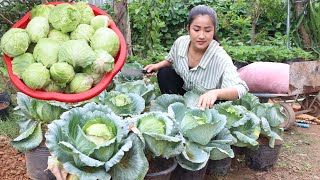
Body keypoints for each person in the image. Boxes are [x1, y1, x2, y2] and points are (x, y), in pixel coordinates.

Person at [144, 5, 248, 110]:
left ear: (214, 31)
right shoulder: (180, 43)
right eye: (196, 29)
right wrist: (157, 66)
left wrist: (215, 93)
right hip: (186, 92)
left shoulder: (220, 57)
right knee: (164, 73)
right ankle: (174, 108)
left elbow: (241, 88)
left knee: (220, 102)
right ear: (188, 28)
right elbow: (171, 60)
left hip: (208, 103)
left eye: (207, 31)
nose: (201, 36)